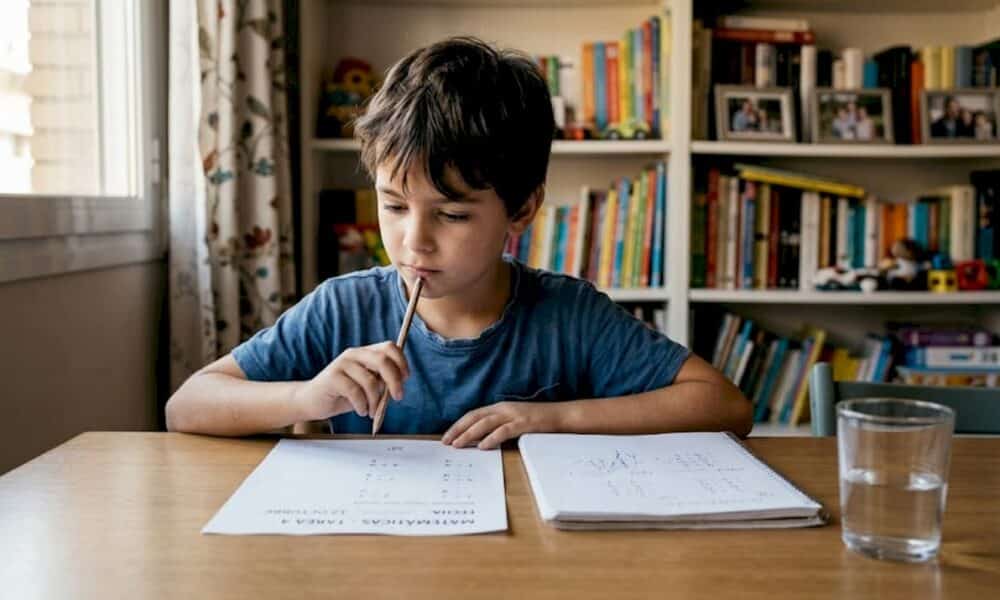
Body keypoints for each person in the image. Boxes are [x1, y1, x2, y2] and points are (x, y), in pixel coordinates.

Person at [165, 37, 752, 447]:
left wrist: (554, 418)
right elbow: (187, 407)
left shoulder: (569, 316)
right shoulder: (344, 308)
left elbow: (725, 406)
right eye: (393, 206)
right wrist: (305, 399)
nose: (412, 242)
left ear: (521, 209)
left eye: (451, 214)